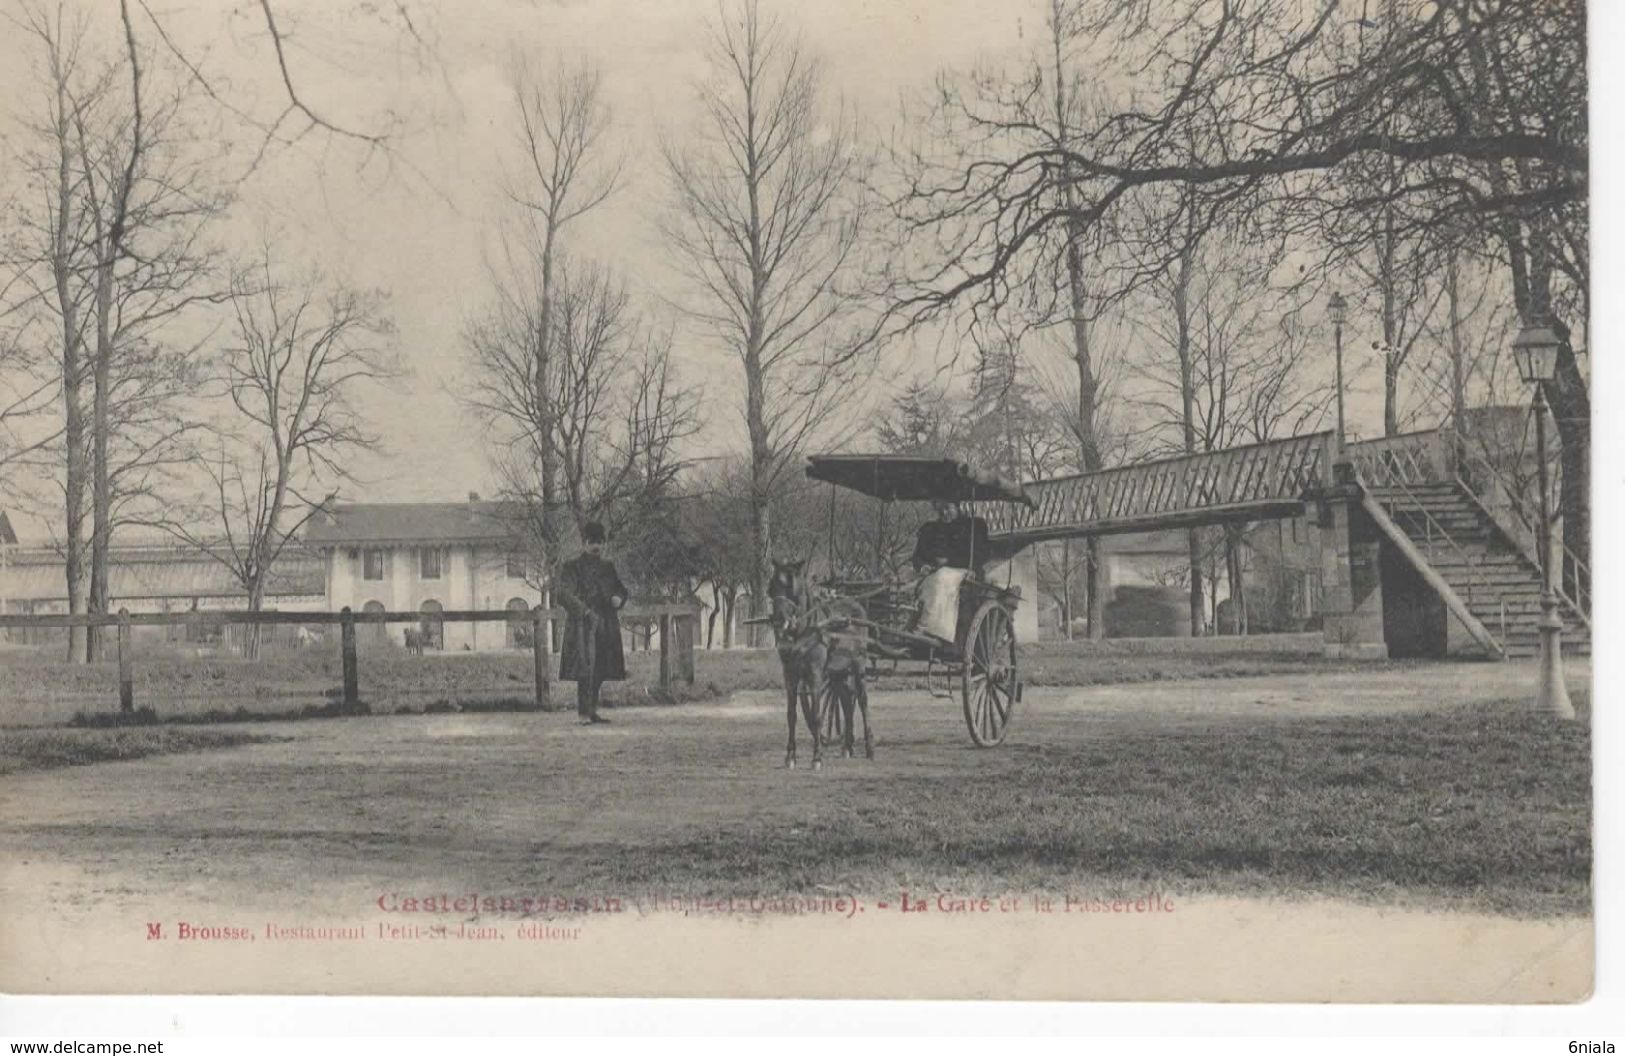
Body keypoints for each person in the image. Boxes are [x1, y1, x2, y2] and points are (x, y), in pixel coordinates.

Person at [556, 521, 628, 725]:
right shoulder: (572, 567)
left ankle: (592, 710)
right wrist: (585, 612)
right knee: (584, 668)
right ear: (584, 543)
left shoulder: (608, 567)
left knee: (601, 667)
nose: (596, 546)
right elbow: (563, 594)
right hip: (582, 625)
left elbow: (621, 590)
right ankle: (583, 713)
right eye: (592, 542)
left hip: (606, 623)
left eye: (600, 542)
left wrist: (619, 598)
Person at [908, 500, 991, 641]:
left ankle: (931, 630)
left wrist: (958, 564)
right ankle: (902, 624)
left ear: (957, 507)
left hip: (963, 571)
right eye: (940, 510)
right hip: (931, 573)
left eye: (947, 508)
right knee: (900, 580)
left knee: (941, 578)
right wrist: (922, 566)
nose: (944, 513)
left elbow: (981, 554)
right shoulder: (930, 529)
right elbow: (917, 557)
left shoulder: (973, 526)